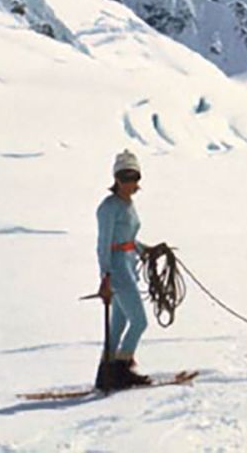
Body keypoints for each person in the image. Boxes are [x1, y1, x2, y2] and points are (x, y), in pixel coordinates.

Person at [94, 149, 151, 389]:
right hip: (117, 271)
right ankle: (122, 368)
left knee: (118, 325)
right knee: (139, 321)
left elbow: (128, 239)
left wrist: (146, 250)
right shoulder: (109, 207)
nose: (129, 183)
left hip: (128, 266)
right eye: (124, 177)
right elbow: (104, 243)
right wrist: (105, 275)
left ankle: (105, 374)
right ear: (116, 179)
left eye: (134, 177)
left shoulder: (128, 205)